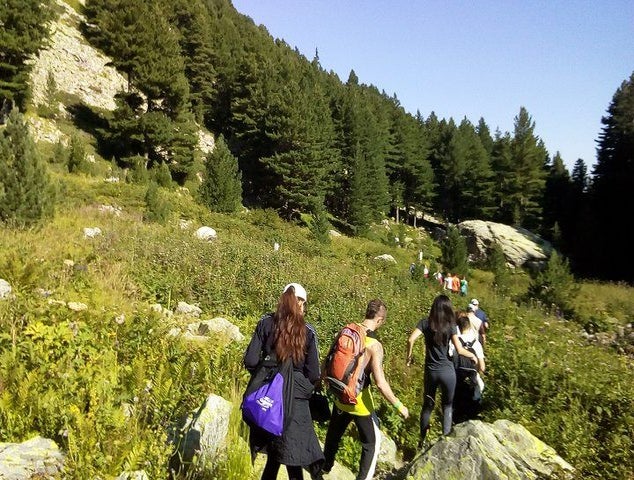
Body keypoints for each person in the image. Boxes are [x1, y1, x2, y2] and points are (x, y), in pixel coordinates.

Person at [320, 299, 409, 480]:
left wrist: (321, 381)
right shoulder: (374, 346)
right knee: (371, 443)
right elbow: (380, 383)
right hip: (359, 401)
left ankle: (324, 466)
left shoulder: (346, 331)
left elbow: (327, 360)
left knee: (334, 432)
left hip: (339, 393)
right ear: (380, 321)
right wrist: (399, 406)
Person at [243, 283, 324, 480]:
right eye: (304, 303)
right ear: (301, 302)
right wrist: (300, 387)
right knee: (294, 456)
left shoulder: (266, 322)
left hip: (270, 400)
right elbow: (314, 373)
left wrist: (267, 377)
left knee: (275, 456)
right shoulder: (308, 331)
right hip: (296, 404)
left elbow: (250, 360)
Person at [406, 295, 478, 443]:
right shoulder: (450, 326)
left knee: (427, 406)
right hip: (447, 372)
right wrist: (473, 356)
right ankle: (445, 441)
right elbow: (459, 349)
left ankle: (422, 441)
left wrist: (409, 357)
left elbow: (410, 339)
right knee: (447, 407)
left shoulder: (425, 323)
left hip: (431, 372)